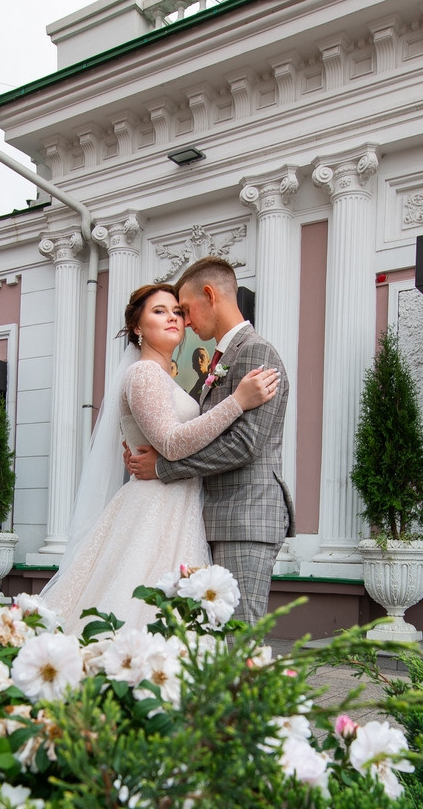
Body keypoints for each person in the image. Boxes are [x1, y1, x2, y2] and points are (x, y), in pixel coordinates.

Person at [41, 281, 279, 628]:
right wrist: (237, 402)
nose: (173, 318)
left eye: (178, 312)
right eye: (159, 311)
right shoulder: (143, 373)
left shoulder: (163, 378)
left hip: (176, 502)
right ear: (137, 327)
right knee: (143, 611)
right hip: (156, 505)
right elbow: (170, 443)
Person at [123, 258, 292, 625]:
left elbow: (245, 444)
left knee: (237, 636)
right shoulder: (222, 359)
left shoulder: (256, 353)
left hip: (244, 515)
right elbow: (191, 429)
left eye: (184, 309)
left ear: (210, 295)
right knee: (209, 637)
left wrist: (164, 468)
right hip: (210, 516)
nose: (183, 320)